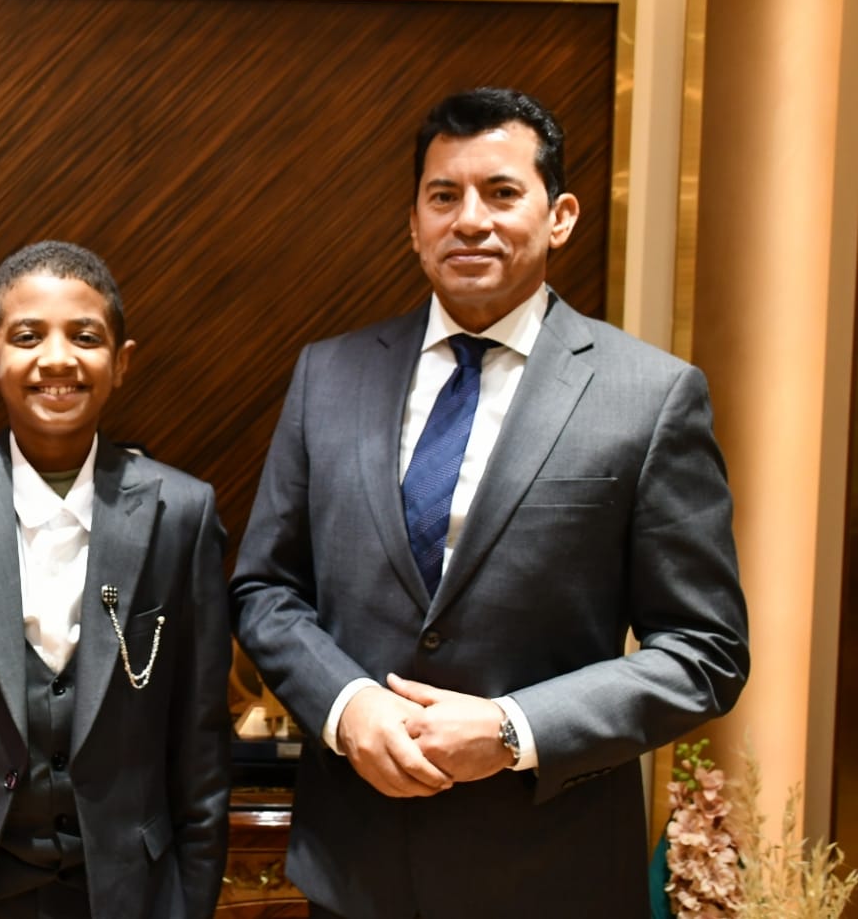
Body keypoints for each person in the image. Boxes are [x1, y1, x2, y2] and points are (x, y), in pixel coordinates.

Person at [229, 87, 749, 918]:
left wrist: (513, 729)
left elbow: (703, 651)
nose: (469, 220)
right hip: (357, 869)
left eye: (501, 193)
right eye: (443, 196)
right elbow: (265, 590)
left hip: (551, 877)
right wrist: (346, 704)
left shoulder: (650, 396)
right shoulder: (328, 375)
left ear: (559, 216)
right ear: (414, 224)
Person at [0, 241, 231, 919]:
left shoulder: (183, 513)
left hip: (130, 892)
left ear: (121, 362)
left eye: (84, 337)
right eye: (27, 337)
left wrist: (192, 902)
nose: (57, 359)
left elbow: (199, 745)